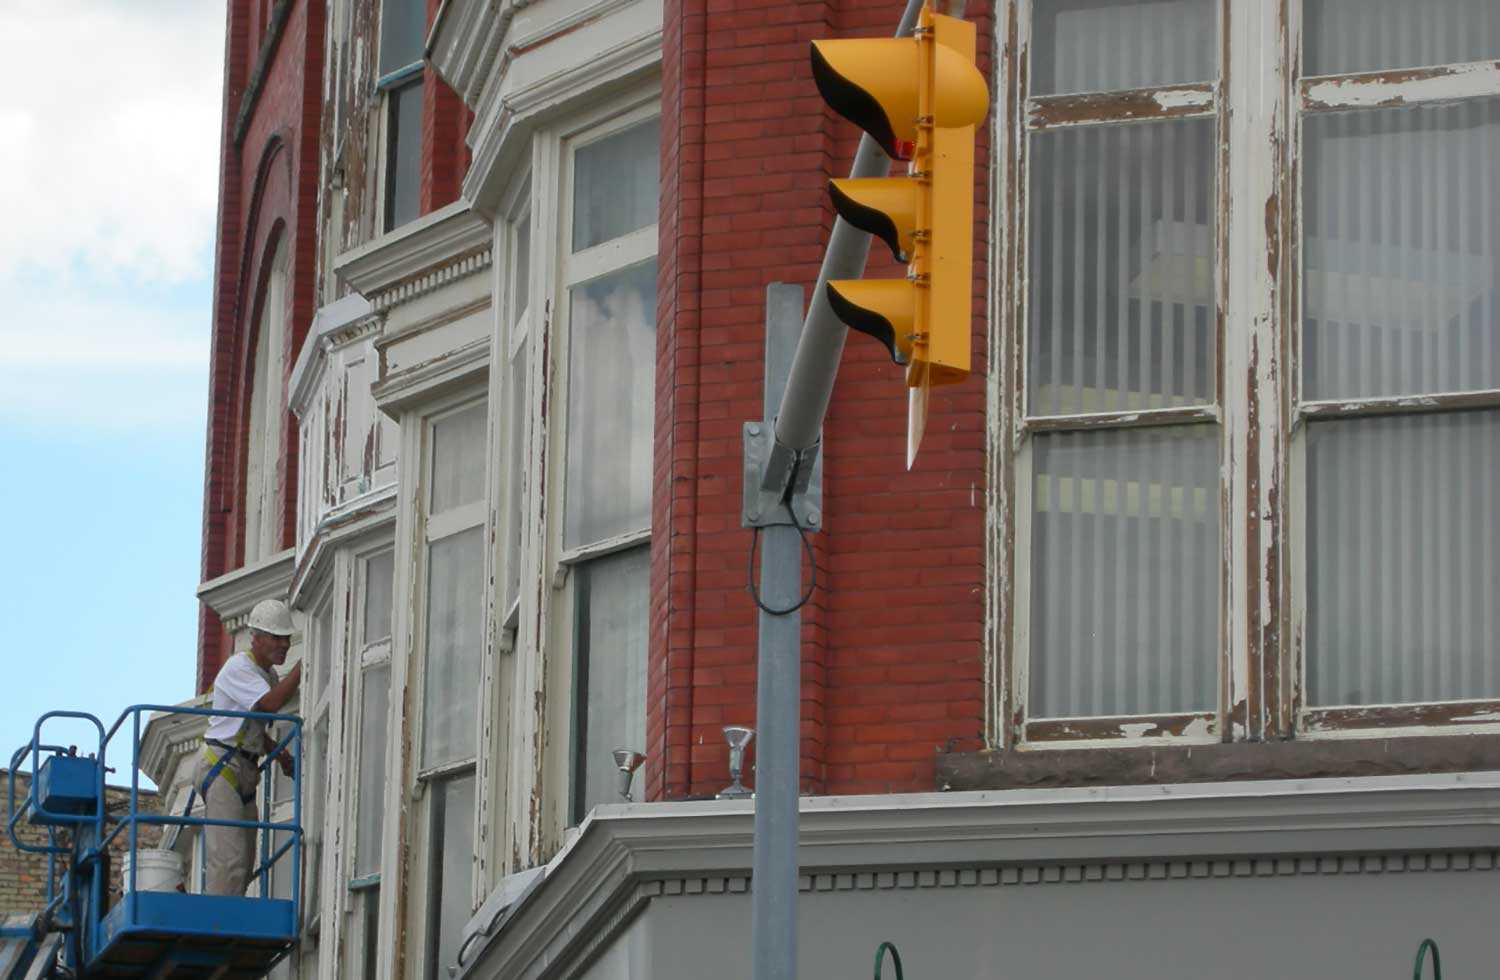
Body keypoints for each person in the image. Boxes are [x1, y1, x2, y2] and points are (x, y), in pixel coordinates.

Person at [194, 598, 303, 896]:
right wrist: (304, 666)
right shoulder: (239, 668)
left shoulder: (268, 675)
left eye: (287, 638)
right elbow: (268, 706)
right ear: (256, 637)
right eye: (276, 637)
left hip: (243, 768)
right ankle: (218, 925)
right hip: (223, 765)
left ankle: (230, 917)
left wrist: (276, 751)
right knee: (228, 858)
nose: (283, 644)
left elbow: (250, 724)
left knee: (245, 860)